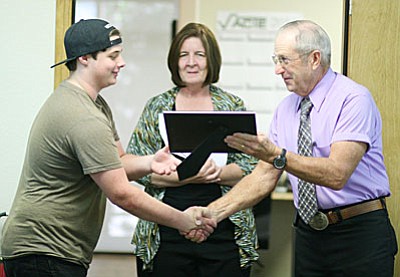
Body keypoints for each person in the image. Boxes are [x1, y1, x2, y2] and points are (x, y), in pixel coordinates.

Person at [0, 19, 215, 277]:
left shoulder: (95, 105)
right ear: (85, 59)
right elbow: (122, 194)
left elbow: (117, 161)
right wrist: (183, 220)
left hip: (52, 252)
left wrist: (150, 162)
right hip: (43, 252)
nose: (121, 63)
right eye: (113, 56)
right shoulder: (82, 116)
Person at [190, 20, 398, 276]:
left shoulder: (353, 99)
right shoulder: (286, 109)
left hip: (358, 234)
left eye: (285, 60)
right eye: (276, 59)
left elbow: (336, 174)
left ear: (314, 58)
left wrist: (277, 155)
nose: (278, 69)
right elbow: (263, 177)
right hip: (309, 234)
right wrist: (212, 212)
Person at [126, 22, 259, 277]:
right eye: (183, 55)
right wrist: (185, 175)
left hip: (224, 226)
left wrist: (216, 174)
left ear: (211, 61)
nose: (191, 62)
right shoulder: (157, 106)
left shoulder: (232, 105)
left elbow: (251, 167)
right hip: (165, 229)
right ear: (175, 62)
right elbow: (136, 166)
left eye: (199, 54)